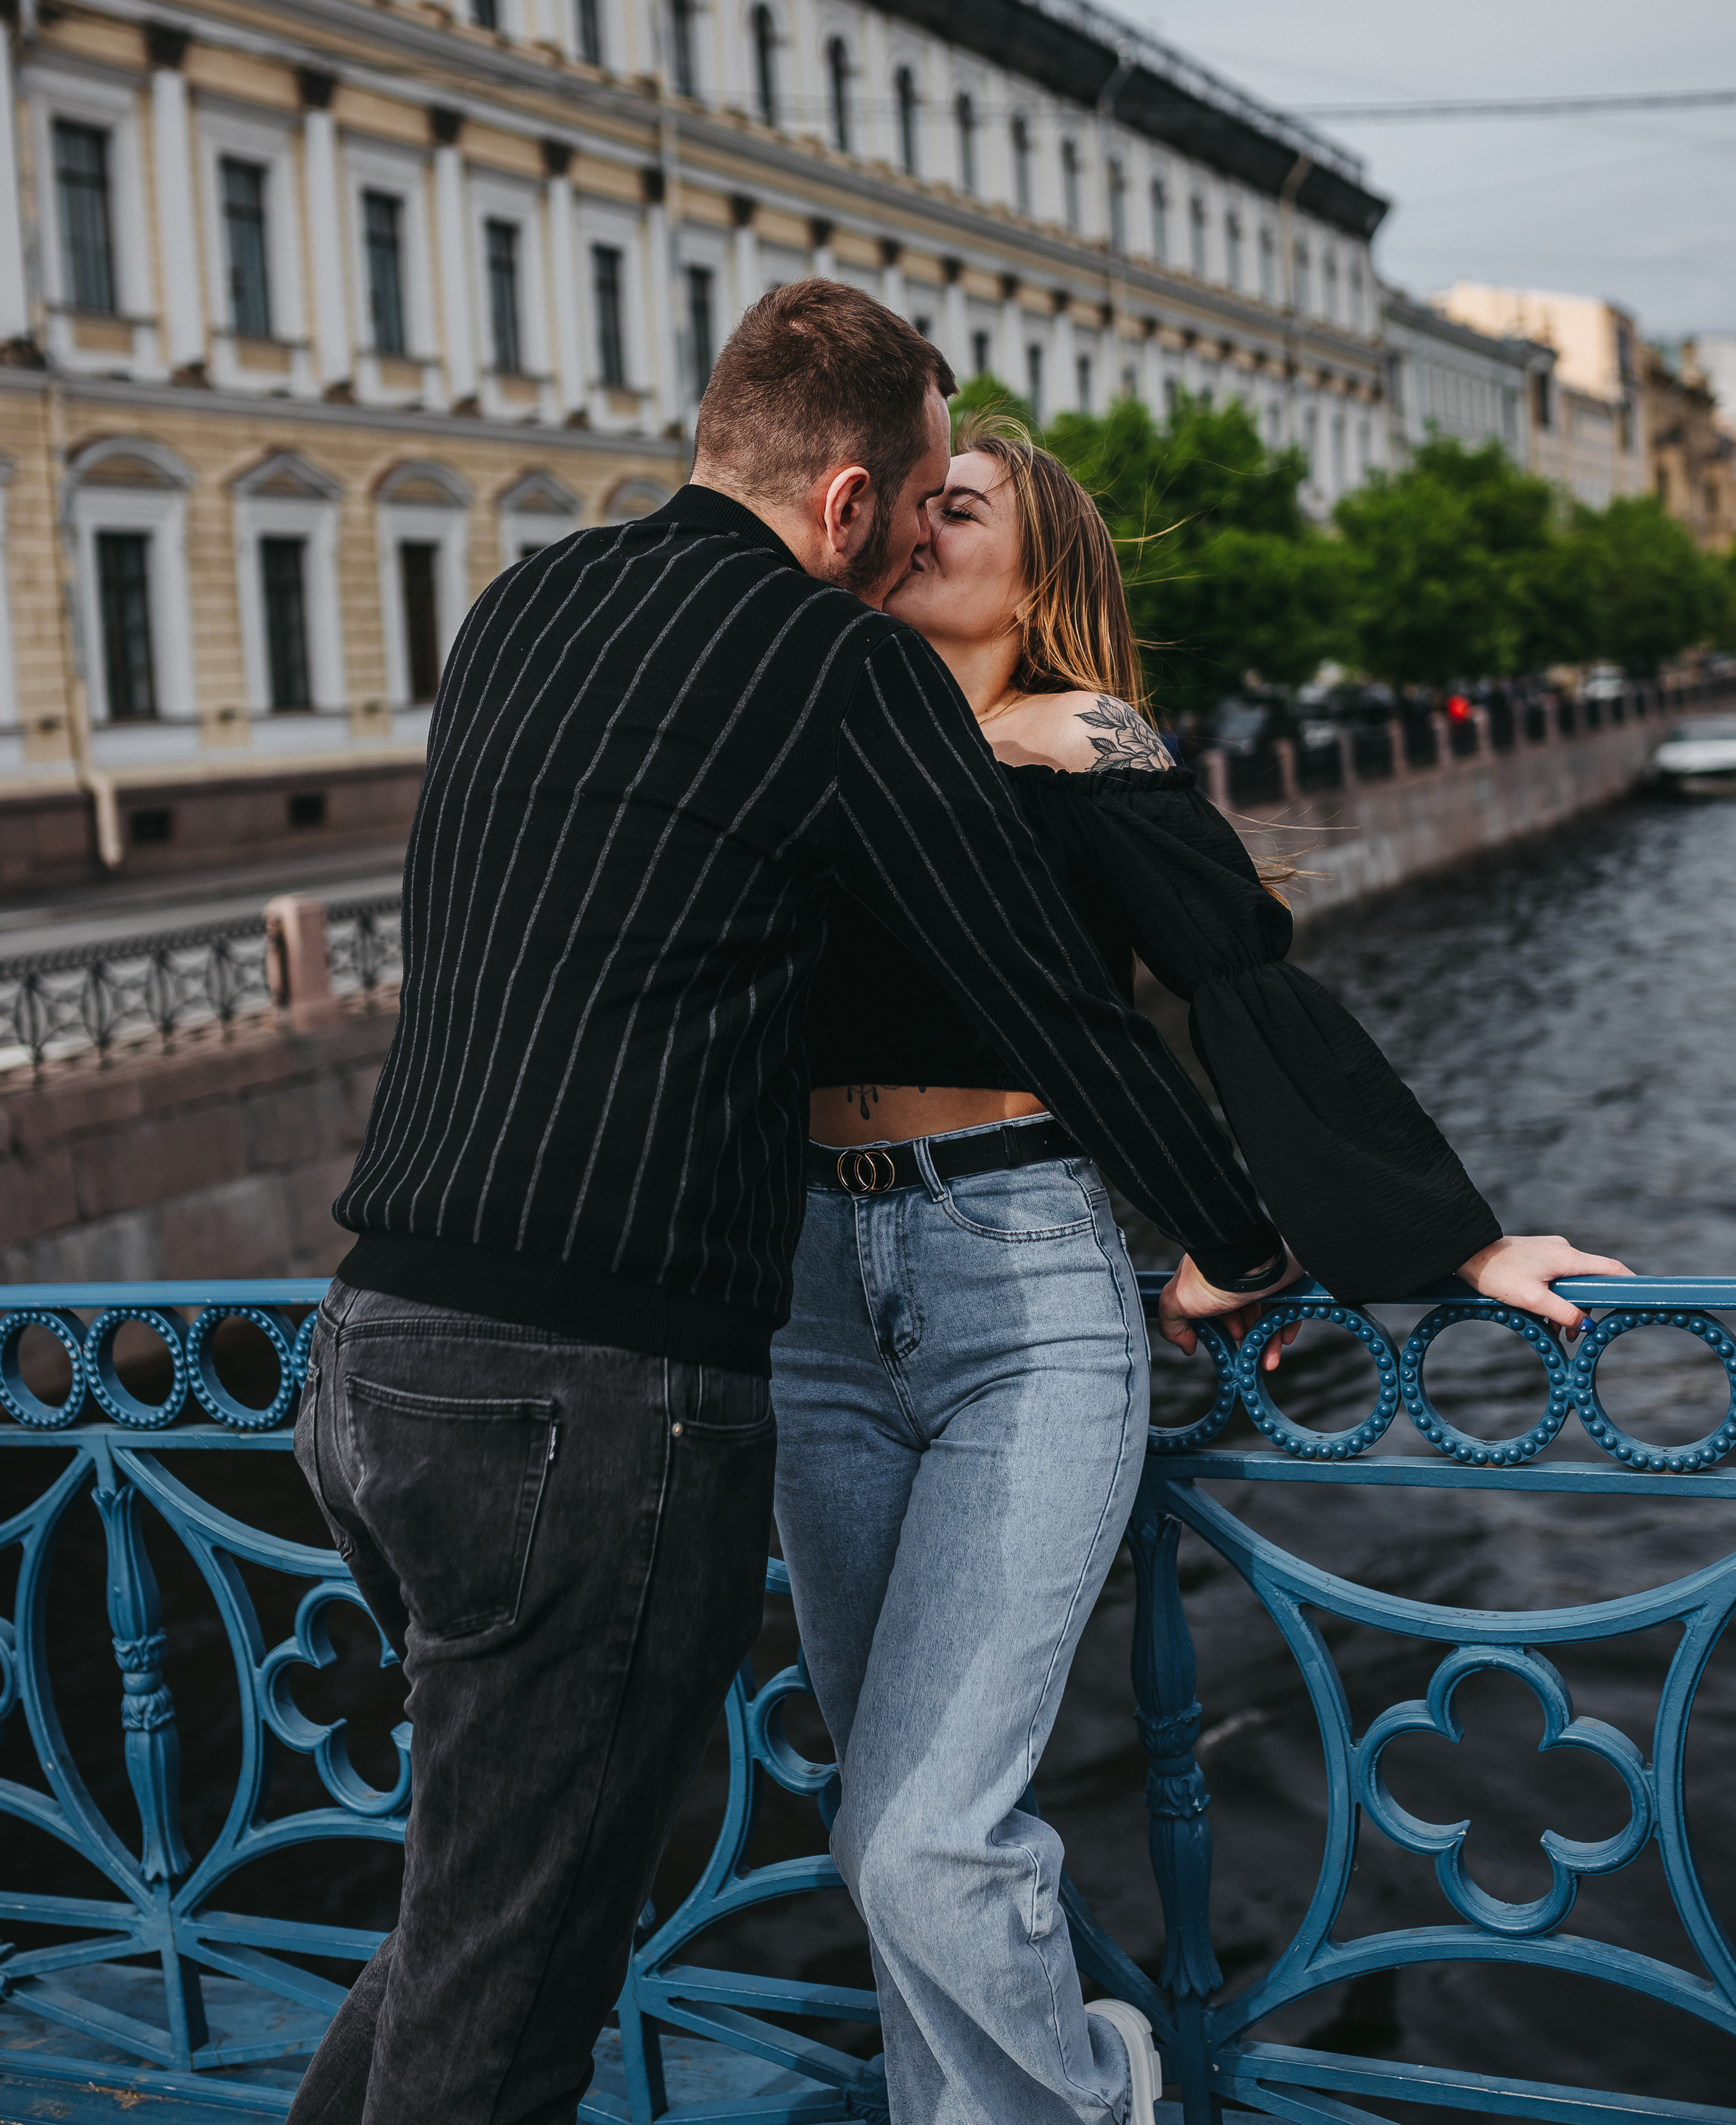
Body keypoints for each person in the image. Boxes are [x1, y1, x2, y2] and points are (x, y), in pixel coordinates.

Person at [288, 284, 1316, 2125]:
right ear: (845, 505)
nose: (929, 535)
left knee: (478, 1906)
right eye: (922, 504)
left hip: (369, 1360)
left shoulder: (522, 607)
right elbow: (1055, 1001)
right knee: (508, 2005)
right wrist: (1237, 1238)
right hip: (591, 1392)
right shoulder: (829, 667)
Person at [772, 418, 1629, 2125]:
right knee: (883, 1819)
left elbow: (1236, 982)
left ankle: (1096, 2088)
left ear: (1044, 570)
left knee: (927, 1833)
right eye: (913, 503)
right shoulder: (833, 744)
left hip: (1005, 1264)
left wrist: (1447, 1231)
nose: (927, 526)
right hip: (806, 1295)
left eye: (966, 507)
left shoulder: (1073, 736)